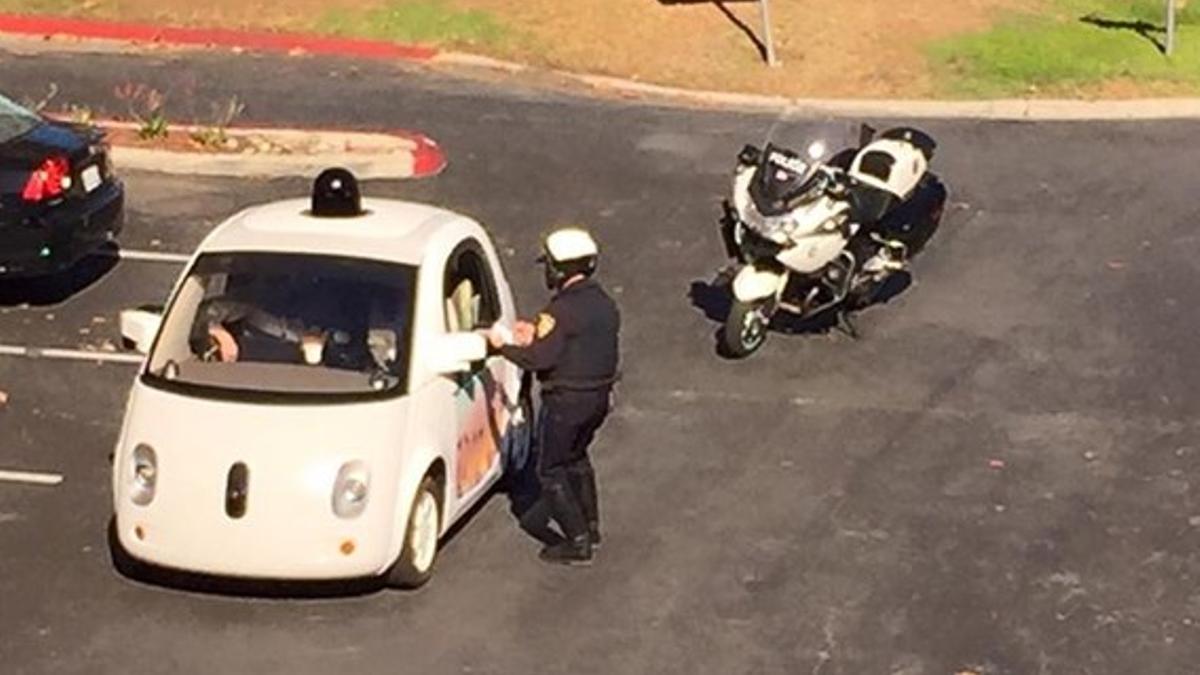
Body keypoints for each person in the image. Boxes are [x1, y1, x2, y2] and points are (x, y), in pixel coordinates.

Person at [487, 226, 620, 566]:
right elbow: (574, 344)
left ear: (558, 269)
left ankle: (576, 541)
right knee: (577, 457)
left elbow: (540, 359)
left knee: (550, 468)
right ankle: (591, 526)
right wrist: (536, 334)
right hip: (598, 398)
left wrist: (503, 347)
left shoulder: (559, 310)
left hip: (566, 401)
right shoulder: (603, 303)